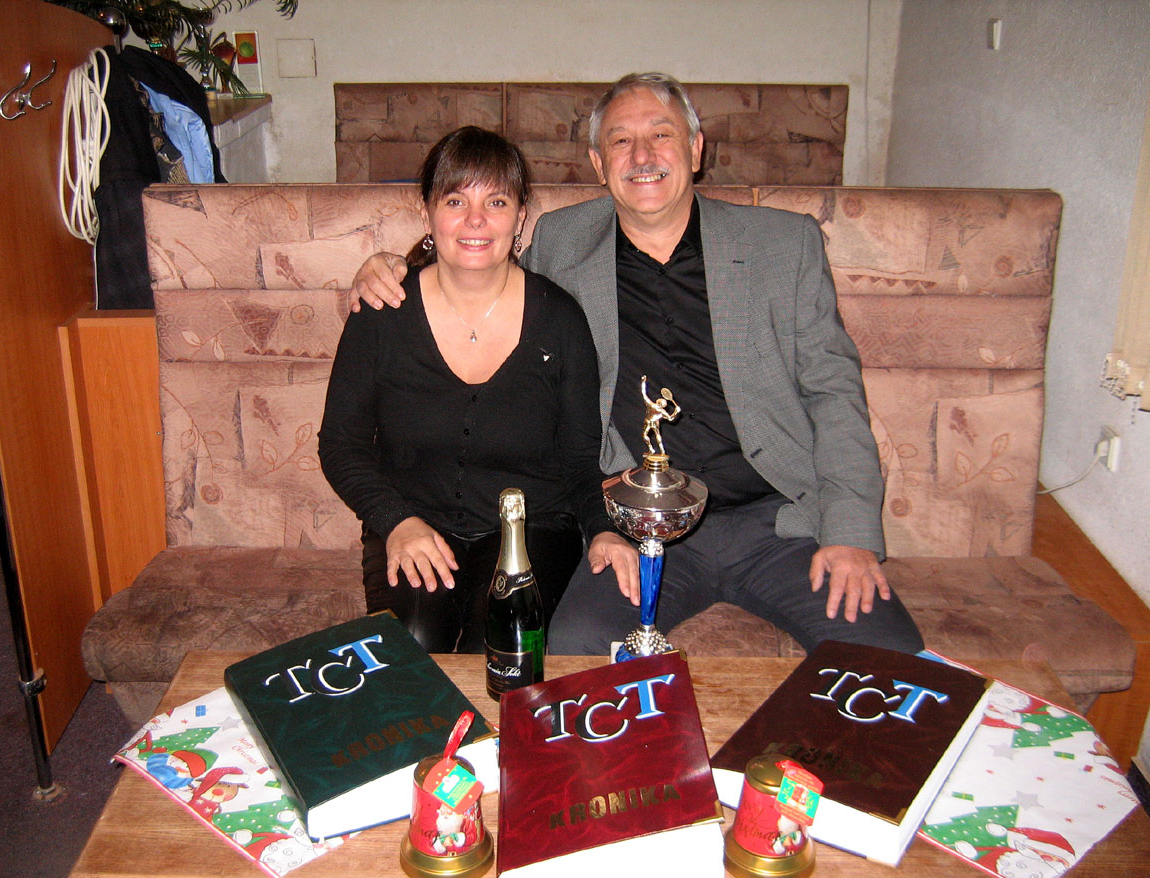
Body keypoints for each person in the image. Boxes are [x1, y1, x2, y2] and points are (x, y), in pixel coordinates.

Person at [347, 74, 923, 657]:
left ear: (695, 149)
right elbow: (478, 263)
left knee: (892, 659)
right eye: (621, 141)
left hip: (777, 523)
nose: (642, 156)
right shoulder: (563, 242)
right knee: (571, 645)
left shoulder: (784, 244)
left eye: (661, 135)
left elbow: (833, 392)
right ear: (599, 164)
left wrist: (850, 533)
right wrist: (394, 265)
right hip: (637, 522)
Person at [319, 125, 637, 653]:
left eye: (496, 201)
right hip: (413, 519)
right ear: (427, 212)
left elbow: (581, 461)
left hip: (532, 527)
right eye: (455, 200)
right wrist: (396, 521)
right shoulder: (381, 312)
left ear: (520, 217)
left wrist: (604, 529)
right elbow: (340, 445)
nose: (475, 220)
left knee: (502, 642)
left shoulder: (560, 320)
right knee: (413, 645)